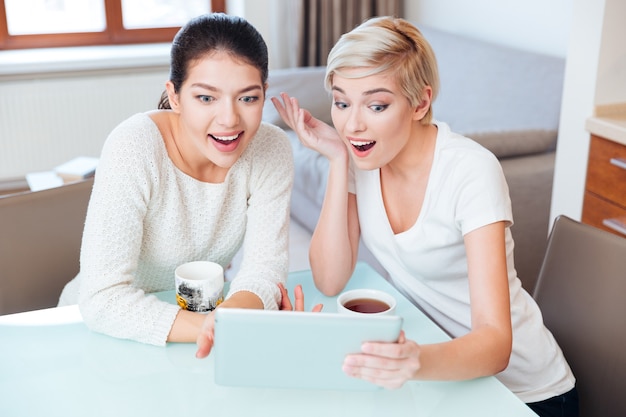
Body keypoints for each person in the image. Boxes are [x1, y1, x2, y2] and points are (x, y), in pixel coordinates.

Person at [272, 16, 578, 417]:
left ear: (420, 103)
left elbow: (496, 343)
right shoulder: (365, 157)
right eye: (342, 102)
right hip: (446, 380)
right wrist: (336, 160)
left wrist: (414, 361)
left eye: (376, 105)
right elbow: (330, 279)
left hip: (525, 394)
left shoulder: (470, 171)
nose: (352, 124)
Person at [58, 13, 304, 359]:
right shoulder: (135, 145)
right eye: (206, 98)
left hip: (198, 332)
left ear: (264, 93)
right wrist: (218, 327)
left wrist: (228, 321)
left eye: (248, 98)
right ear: (174, 96)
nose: (230, 120)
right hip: (102, 331)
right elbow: (102, 298)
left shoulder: (271, 148)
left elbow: (265, 270)